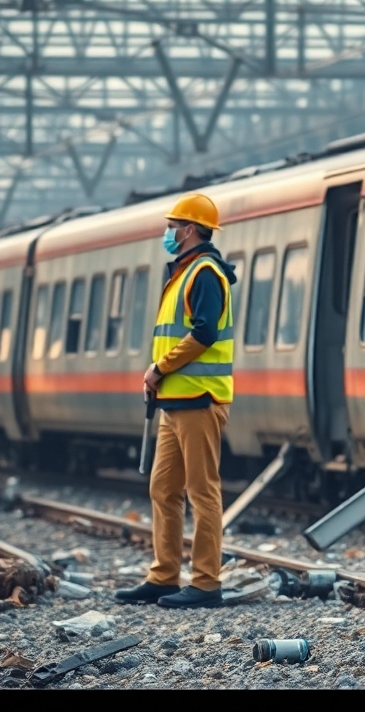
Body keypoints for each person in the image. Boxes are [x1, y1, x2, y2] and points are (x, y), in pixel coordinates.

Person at [115, 192, 237, 609]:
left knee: (202, 492)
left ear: (187, 230)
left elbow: (204, 334)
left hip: (200, 400)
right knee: (163, 488)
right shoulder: (183, 270)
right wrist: (160, 377)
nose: (167, 232)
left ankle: (206, 582)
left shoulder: (204, 273)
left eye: (172, 226)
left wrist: (159, 368)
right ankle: (164, 575)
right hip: (174, 399)